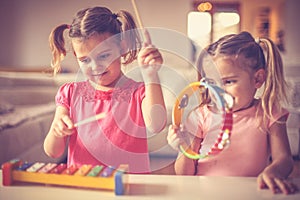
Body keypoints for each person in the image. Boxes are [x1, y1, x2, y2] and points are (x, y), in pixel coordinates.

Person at [167, 31, 297, 194]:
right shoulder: (200, 116)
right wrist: (183, 147)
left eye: (228, 81)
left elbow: (284, 159)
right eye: (212, 82)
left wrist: (273, 171)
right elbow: (183, 174)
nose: (218, 91)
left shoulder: (269, 113)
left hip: (250, 193)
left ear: (257, 79)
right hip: (204, 194)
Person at [44, 6, 166, 174]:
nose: (95, 66)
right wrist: (56, 131)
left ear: (122, 48)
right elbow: (53, 151)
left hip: (129, 186)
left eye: (103, 56)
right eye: (85, 60)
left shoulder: (139, 92)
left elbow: (157, 125)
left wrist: (151, 75)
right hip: (84, 185)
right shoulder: (70, 93)